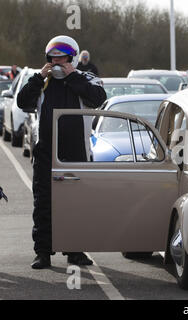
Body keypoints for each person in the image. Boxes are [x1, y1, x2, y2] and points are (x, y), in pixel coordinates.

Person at [17, 35, 107, 269]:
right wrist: (39, 77)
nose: (57, 64)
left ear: (73, 59)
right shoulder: (42, 81)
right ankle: (43, 252)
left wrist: (71, 76)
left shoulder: (87, 78)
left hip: (76, 153)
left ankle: (75, 252)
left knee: (76, 205)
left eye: (63, 60)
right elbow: (22, 101)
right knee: (44, 204)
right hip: (46, 151)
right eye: (53, 60)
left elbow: (98, 99)